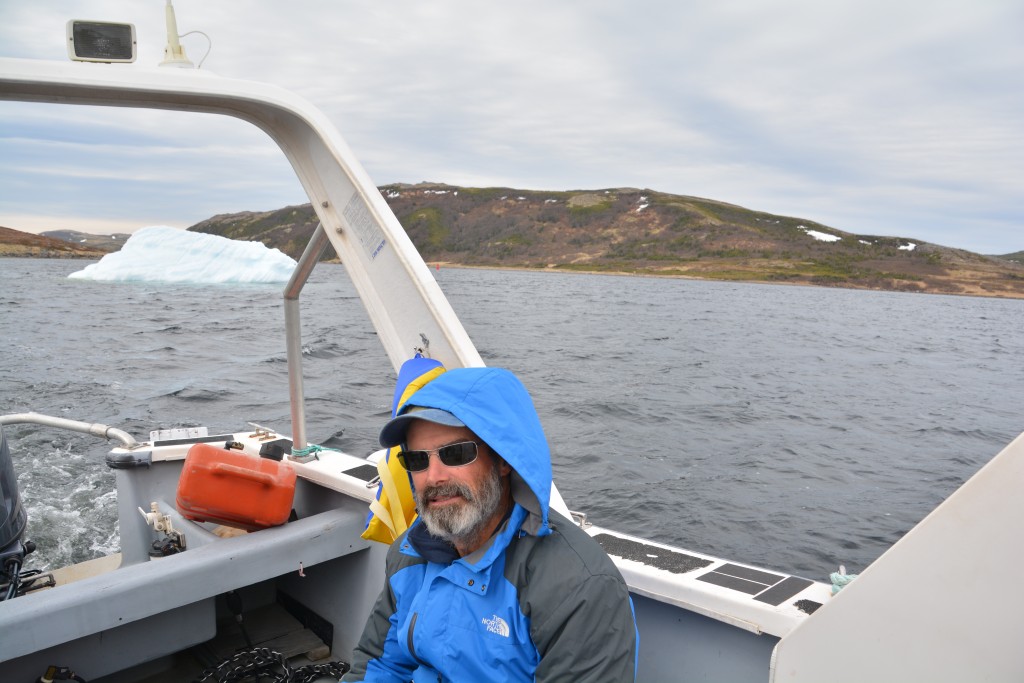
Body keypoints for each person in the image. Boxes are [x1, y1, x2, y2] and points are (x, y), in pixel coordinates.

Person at [343, 366, 638, 682]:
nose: (434, 476)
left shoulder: (579, 588)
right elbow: (380, 665)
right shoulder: (409, 553)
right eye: (417, 459)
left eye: (455, 453)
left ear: (503, 460)